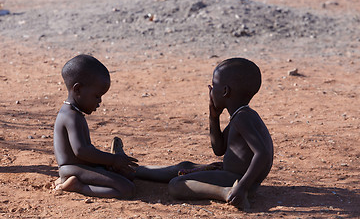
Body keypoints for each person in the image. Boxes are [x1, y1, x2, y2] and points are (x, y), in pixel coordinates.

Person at [135, 58, 273, 209]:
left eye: (214, 85)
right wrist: (214, 117)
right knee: (183, 166)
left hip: (238, 180)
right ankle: (131, 170)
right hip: (233, 175)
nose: (211, 89)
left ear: (225, 91)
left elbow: (263, 153)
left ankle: (226, 192)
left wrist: (243, 186)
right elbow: (219, 149)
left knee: (177, 184)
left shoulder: (243, 118)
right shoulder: (241, 115)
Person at [53, 54, 138, 199]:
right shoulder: (71, 117)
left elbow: (85, 152)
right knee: (126, 189)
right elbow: (81, 151)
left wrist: (107, 163)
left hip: (81, 167)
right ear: (78, 90)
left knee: (126, 176)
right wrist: (112, 160)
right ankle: (77, 186)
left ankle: (76, 182)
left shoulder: (74, 113)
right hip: (72, 169)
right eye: (97, 96)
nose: (99, 102)